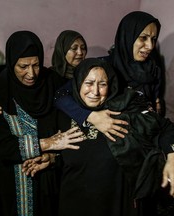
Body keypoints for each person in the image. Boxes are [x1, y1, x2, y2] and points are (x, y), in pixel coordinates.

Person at [23, 58, 174, 216]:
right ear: (78, 83)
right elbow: (76, 157)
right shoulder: (63, 116)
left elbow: (166, 128)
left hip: (116, 204)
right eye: (88, 83)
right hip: (74, 204)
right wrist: (51, 159)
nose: (95, 91)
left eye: (102, 84)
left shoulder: (123, 113)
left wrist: (173, 160)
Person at [0, 30, 83, 216]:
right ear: (12, 62)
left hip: (54, 179)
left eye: (36, 65)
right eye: (23, 66)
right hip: (14, 185)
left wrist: (53, 157)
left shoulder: (55, 83)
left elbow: (71, 133)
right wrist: (46, 143)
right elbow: (2, 146)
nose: (31, 73)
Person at [54, 11, 164, 142]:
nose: (150, 46)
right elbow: (60, 95)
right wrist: (91, 116)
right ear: (127, 36)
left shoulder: (153, 71)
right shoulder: (103, 66)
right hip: (106, 143)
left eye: (153, 39)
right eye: (143, 38)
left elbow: (153, 110)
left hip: (139, 142)